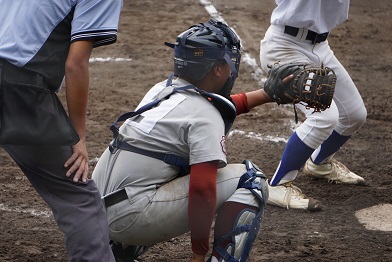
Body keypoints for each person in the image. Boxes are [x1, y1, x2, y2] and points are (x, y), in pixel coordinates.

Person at [91, 19, 278, 262]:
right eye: (229, 61)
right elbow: (202, 190)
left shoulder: (163, 89)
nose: (233, 67)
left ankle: (116, 253)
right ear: (218, 69)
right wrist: (197, 254)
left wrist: (267, 95)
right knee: (250, 180)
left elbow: (217, 107)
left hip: (94, 216)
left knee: (168, 166)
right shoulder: (204, 115)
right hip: (128, 219)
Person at [0, 1, 122, 261]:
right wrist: (77, 136)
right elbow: (75, 64)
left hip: (11, 79)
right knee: (81, 199)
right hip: (18, 89)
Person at [259, 0, 367, 211]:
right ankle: (278, 185)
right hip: (284, 47)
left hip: (320, 47)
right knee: (324, 117)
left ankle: (319, 164)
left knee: (354, 114)